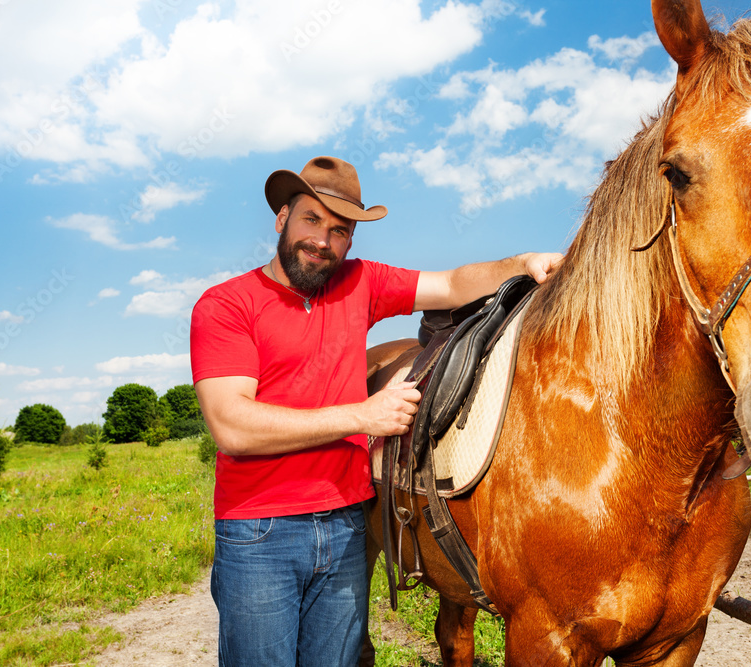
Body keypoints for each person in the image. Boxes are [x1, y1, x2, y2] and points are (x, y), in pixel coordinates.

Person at [190, 155, 562, 666]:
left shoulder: (358, 282)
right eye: (311, 220)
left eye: (340, 231)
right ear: (282, 220)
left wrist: (520, 263)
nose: (323, 240)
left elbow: (452, 284)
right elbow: (233, 425)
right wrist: (363, 416)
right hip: (261, 532)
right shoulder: (228, 304)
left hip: (345, 524)